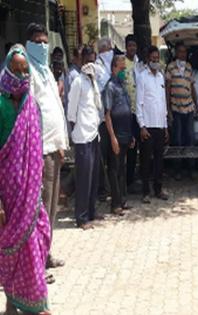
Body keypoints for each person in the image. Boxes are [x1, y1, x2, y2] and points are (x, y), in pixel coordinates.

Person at [0, 44, 52, 315]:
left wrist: (38, 183)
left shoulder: (30, 105)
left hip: (29, 194)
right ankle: (14, 302)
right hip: (6, 195)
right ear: (7, 69)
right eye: (16, 70)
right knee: (12, 250)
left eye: (25, 70)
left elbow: (35, 151)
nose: (21, 76)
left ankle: (36, 302)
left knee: (33, 241)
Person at [26, 23, 68, 269]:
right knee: (41, 207)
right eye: (37, 42)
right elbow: (31, 112)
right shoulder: (28, 71)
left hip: (55, 147)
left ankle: (47, 252)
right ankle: (37, 260)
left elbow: (55, 108)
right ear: (29, 43)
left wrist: (61, 143)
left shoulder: (47, 72)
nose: (42, 46)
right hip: (40, 151)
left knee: (52, 208)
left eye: (45, 41)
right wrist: (36, 150)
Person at [67, 46, 103, 229]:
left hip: (94, 135)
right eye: (88, 60)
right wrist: (75, 133)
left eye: (93, 60)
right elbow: (71, 112)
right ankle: (81, 218)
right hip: (82, 137)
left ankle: (91, 211)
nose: (91, 64)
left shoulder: (93, 81)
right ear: (82, 60)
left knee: (94, 176)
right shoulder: (78, 82)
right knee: (83, 178)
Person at [137, 46, 169, 203]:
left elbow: (163, 103)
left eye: (157, 58)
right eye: (153, 58)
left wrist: (165, 126)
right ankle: (145, 192)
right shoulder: (142, 77)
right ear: (148, 59)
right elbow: (139, 103)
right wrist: (141, 126)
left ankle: (158, 189)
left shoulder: (161, 77)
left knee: (159, 161)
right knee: (145, 161)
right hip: (147, 127)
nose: (156, 61)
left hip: (160, 125)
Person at [103, 55, 133, 214]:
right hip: (115, 135)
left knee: (122, 168)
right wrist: (113, 138)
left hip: (125, 134)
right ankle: (115, 204)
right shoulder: (110, 87)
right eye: (122, 69)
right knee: (114, 169)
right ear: (114, 67)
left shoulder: (122, 85)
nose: (124, 71)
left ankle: (122, 200)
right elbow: (107, 114)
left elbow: (127, 110)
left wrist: (131, 135)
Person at [166, 42, 198, 180]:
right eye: (180, 51)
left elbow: (192, 88)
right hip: (176, 109)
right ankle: (177, 170)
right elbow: (167, 89)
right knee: (177, 140)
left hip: (189, 108)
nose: (182, 54)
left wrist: (197, 106)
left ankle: (190, 169)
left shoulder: (189, 68)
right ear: (176, 53)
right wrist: (168, 110)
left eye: (184, 52)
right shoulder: (171, 67)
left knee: (190, 139)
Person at [96, 38, 114, 200]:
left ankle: (110, 188)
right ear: (103, 50)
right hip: (101, 119)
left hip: (112, 117)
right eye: (109, 49)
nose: (111, 51)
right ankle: (101, 189)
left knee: (111, 155)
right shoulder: (97, 67)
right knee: (101, 155)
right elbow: (102, 87)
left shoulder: (109, 65)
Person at [124, 34, 141, 190]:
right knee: (127, 147)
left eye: (134, 46)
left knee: (135, 147)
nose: (132, 48)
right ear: (126, 47)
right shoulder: (122, 64)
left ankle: (132, 179)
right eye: (130, 45)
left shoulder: (139, 64)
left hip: (138, 112)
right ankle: (125, 182)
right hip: (125, 113)